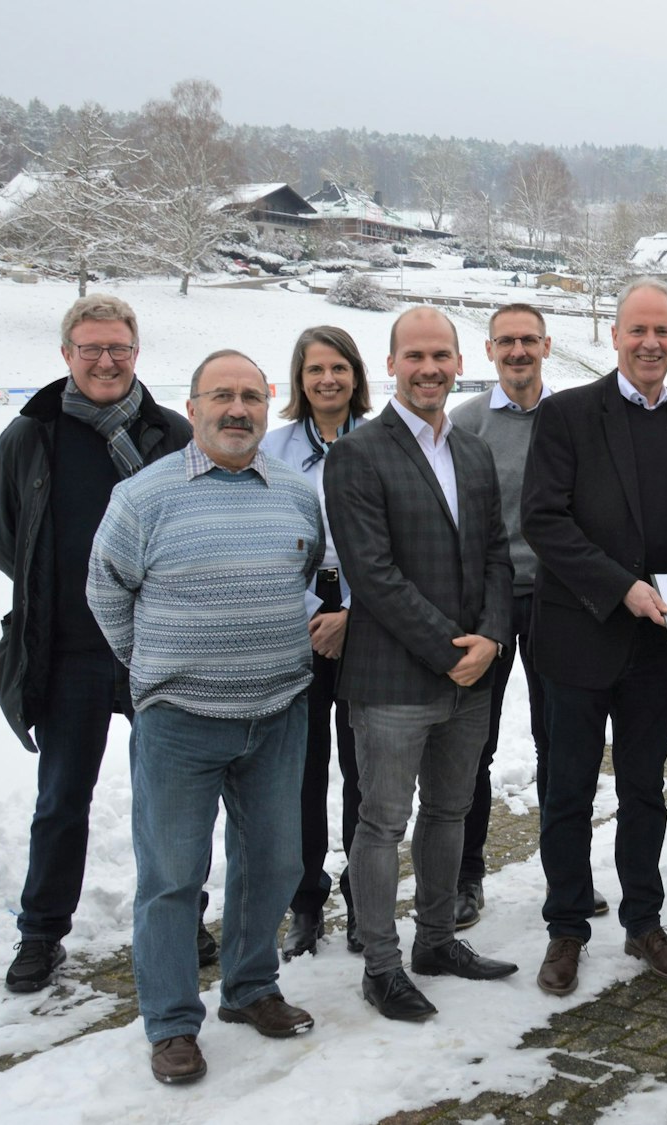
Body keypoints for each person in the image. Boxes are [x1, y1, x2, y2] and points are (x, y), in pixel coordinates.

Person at [88, 350, 324, 1085]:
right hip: (180, 721)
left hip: (279, 710)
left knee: (275, 860)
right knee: (172, 874)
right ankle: (171, 1022)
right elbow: (106, 593)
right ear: (191, 408)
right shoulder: (143, 496)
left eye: (252, 396)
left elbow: (307, 569)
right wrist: (159, 669)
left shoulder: (293, 491)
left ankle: (251, 987)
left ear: (268, 406)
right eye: (221, 395)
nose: (238, 409)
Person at [0, 294, 195, 994]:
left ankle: (179, 919)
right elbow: (5, 532)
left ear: (137, 353)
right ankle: (41, 933)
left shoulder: (171, 432)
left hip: (157, 649)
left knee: (169, 799)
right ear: (67, 353)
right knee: (62, 798)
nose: (106, 361)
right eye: (91, 348)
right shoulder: (32, 435)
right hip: (69, 651)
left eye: (119, 349)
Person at [521, 278, 667, 997]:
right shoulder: (569, 414)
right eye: (638, 330)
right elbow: (545, 520)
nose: (650, 343)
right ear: (614, 336)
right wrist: (620, 586)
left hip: (656, 646)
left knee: (645, 791)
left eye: (664, 332)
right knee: (569, 791)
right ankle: (567, 927)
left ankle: (644, 920)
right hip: (580, 635)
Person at [324, 307, 520, 1022]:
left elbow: (498, 553)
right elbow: (372, 575)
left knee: (450, 810)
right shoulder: (358, 454)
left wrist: (493, 639)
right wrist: (452, 650)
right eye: (416, 355)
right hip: (395, 678)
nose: (429, 367)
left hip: (473, 672)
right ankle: (382, 963)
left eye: (441, 354)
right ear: (392, 363)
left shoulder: (471, 451)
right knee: (381, 822)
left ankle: (437, 938)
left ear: (459, 358)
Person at [449, 304, 608, 926]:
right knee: (473, 744)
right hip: (486, 601)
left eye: (529, 341)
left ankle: (567, 875)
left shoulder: (572, 421)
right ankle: (466, 876)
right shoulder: (464, 423)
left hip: (559, 598)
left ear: (547, 346)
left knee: (561, 743)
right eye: (506, 341)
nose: (519, 351)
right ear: (489, 351)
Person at [258, 325, 372, 960]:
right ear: (299, 380)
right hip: (295, 622)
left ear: (356, 375)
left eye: (338, 368)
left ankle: (364, 897)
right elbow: (265, 535)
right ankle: (305, 902)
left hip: (368, 624)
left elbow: (398, 543)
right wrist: (311, 613)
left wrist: (352, 613)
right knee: (300, 775)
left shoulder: (384, 443)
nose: (327, 380)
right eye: (314, 370)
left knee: (365, 774)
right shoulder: (272, 450)